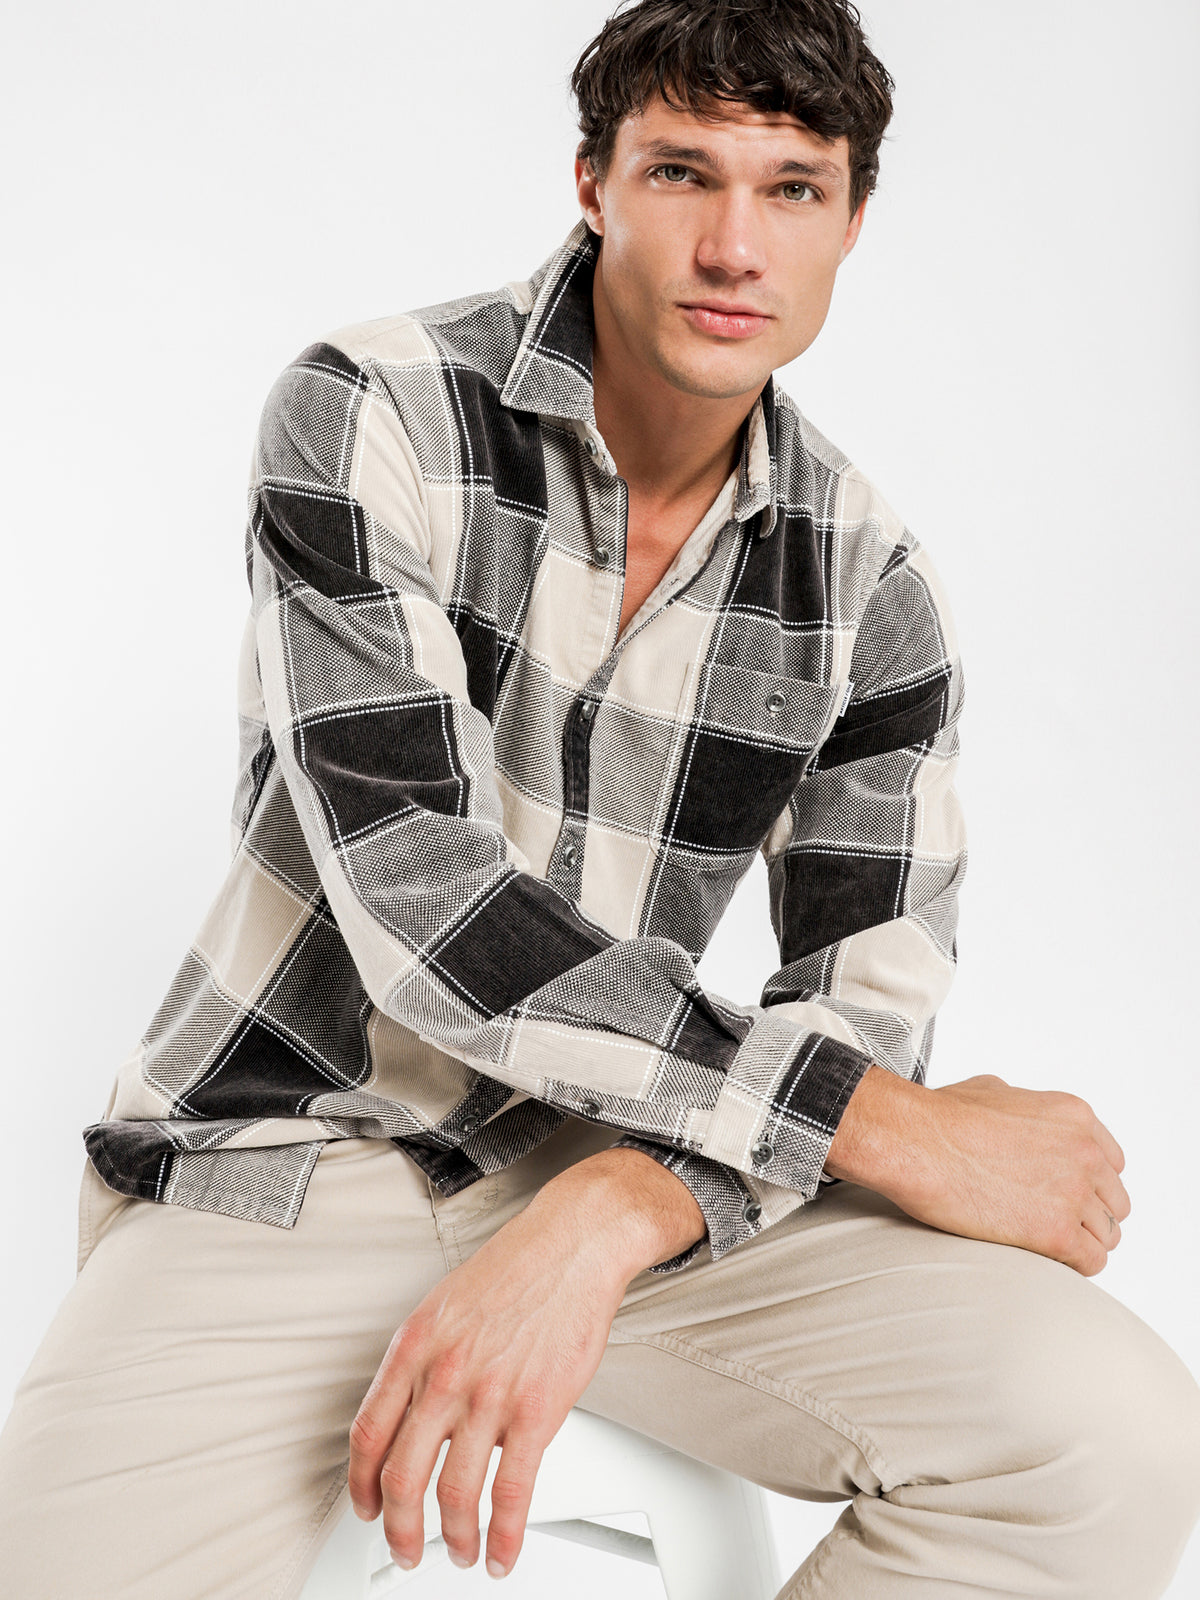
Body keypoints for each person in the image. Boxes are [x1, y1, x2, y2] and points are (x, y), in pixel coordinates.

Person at [2, 1, 1198, 1595]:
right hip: (294, 1160)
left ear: (852, 220)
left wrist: (620, 1208)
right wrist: (901, 1133)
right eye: (682, 172)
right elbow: (430, 905)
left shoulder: (871, 584)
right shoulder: (372, 411)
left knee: (1106, 1435)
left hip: (632, 1160)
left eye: (792, 188)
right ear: (593, 182)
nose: (734, 246)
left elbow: (870, 988)